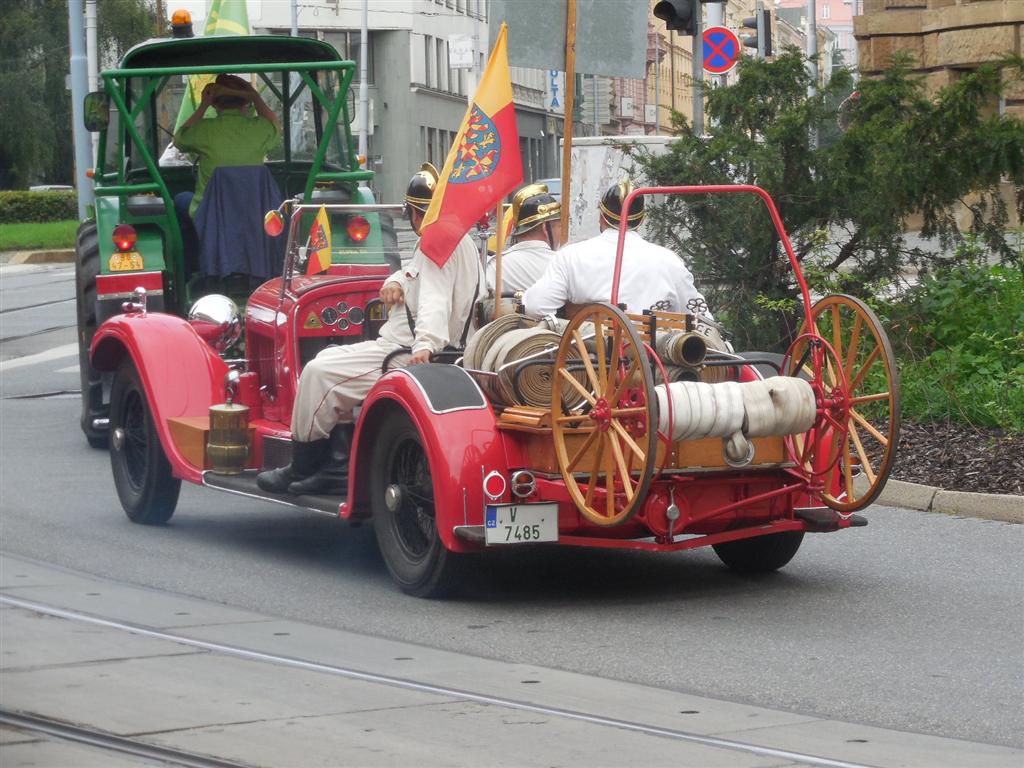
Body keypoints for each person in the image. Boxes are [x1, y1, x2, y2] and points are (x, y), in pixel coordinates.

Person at [256, 163, 484, 496]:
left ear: (415, 213)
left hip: (407, 353)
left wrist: (426, 345)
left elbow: (434, 299)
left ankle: (303, 465)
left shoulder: (436, 242)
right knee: (333, 359)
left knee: (317, 371)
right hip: (437, 349)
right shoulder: (459, 241)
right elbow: (418, 277)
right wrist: (393, 282)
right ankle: (336, 465)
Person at [522, 179, 711, 320]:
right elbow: (700, 316)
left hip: (588, 361)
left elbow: (536, 307)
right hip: (656, 361)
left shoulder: (570, 256)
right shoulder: (670, 261)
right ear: (641, 220)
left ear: (602, 217)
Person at [171, 74, 281, 271]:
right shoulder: (260, 129)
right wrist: (255, 95)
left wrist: (203, 105)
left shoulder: (204, 130)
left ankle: (192, 266)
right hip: (254, 214)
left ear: (215, 104)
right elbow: (275, 124)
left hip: (208, 213)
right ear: (245, 103)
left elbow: (179, 140)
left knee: (179, 200)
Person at [485, 183, 561, 294]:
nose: (562, 232)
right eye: (560, 226)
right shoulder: (562, 264)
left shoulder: (493, 267)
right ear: (545, 228)